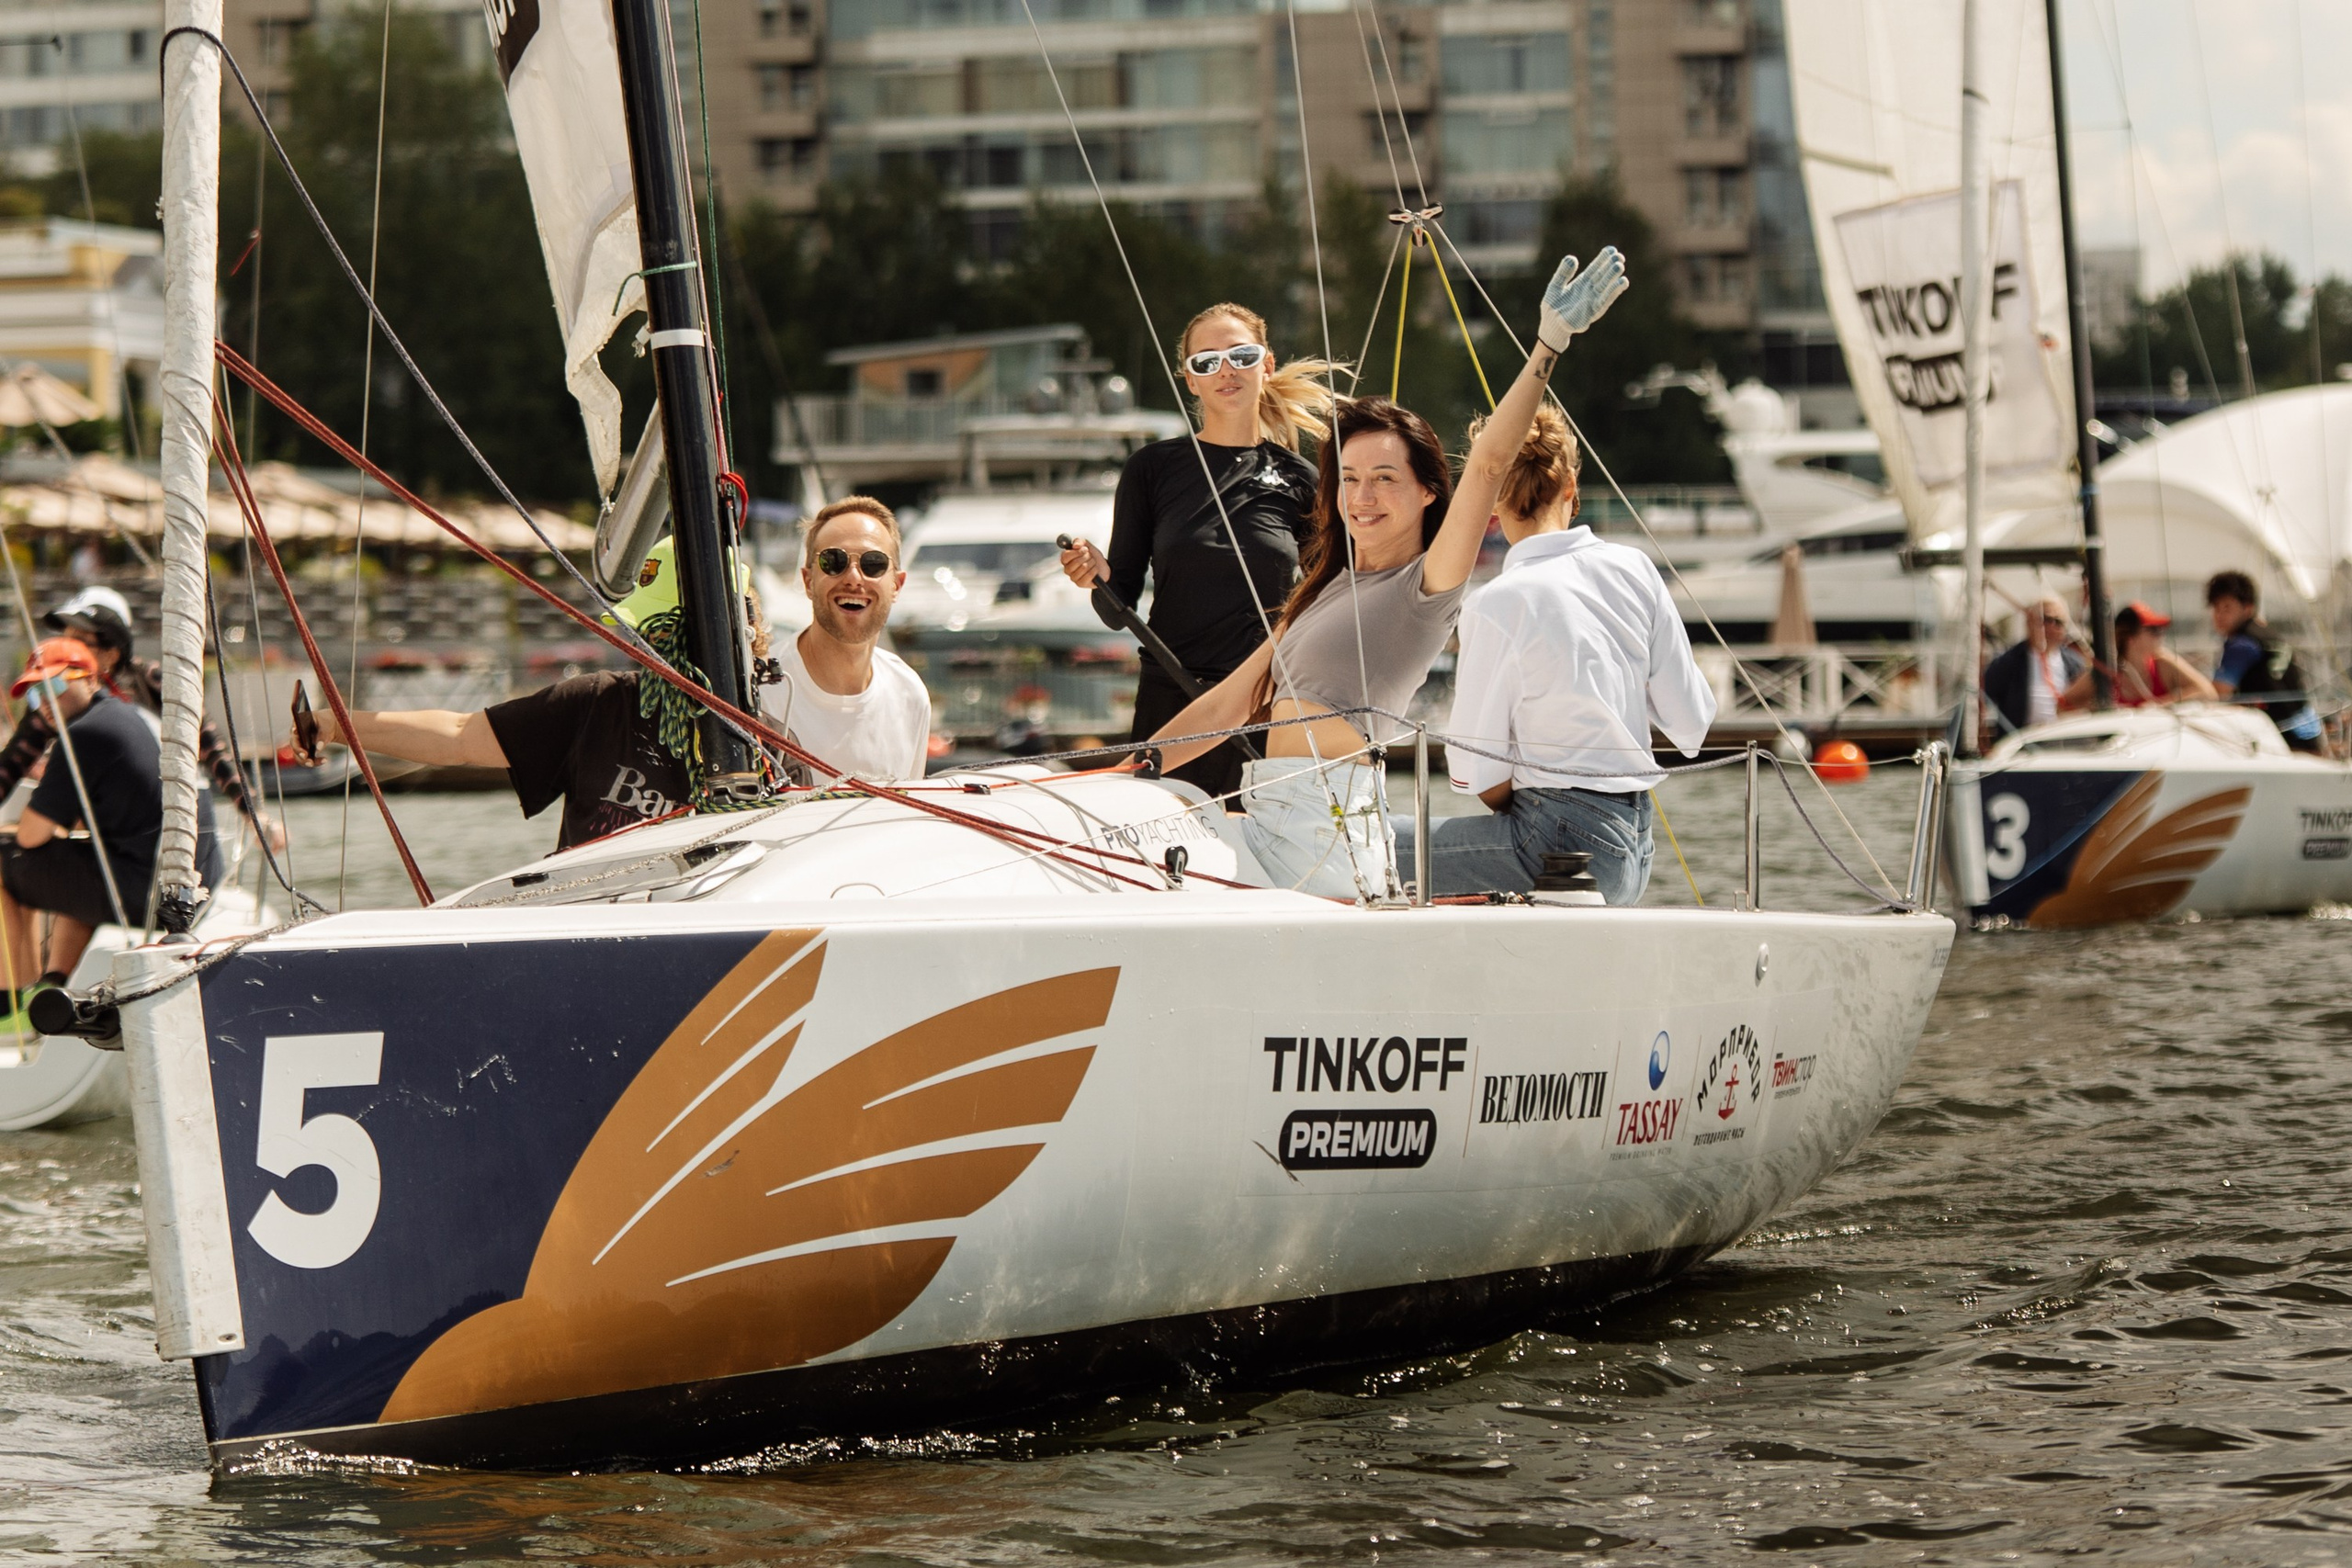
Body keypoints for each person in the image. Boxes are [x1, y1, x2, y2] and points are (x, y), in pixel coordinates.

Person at [1144, 247, 1631, 898]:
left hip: (1328, 828)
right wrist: (1129, 770)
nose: (1362, 497)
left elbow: (1488, 464)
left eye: (1383, 479)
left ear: (1430, 491)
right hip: (1273, 812)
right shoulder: (1321, 590)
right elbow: (1228, 703)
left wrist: (1548, 345)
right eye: (1348, 479)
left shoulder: (1425, 586)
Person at [1387, 405, 1714, 905]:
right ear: (1571, 487)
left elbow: (1473, 771)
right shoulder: (1635, 568)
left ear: (1494, 504)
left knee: (1364, 845)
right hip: (1635, 851)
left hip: (1557, 851)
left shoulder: (1496, 602)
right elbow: (1692, 725)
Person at [305, 541, 778, 851]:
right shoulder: (594, 704)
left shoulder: (773, 750)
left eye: (661, 629)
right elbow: (458, 736)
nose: (647, 645)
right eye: (645, 632)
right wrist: (336, 724)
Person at [1057, 305, 1331, 798]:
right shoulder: (1152, 469)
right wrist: (1094, 576)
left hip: (1262, 700)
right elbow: (1116, 608)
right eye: (1206, 362)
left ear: (1266, 365)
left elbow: (1323, 600)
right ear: (1190, 381)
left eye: (1241, 356)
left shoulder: (1299, 478)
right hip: (1172, 699)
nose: (1225, 370)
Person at [0, 639, 221, 1013]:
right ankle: (53, 985)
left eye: (53, 686)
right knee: (73, 863)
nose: (44, 704)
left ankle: (11, 1006)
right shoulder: (128, 715)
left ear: (88, 678)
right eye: (36, 694)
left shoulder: (84, 734)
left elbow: (30, 835)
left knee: (6, 861)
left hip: (160, 898)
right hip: (196, 883)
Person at [0, 587, 284, 852]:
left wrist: (255, 815)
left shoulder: (154, 682)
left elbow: (213, 750)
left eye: (80, 642)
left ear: (112, 652)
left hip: (156, 829)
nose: (67, 652)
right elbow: (12, 765)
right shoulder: (54, 697)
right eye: (65, 639)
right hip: (91, 823)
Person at [761, 496, 932, 783]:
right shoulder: (760, 694)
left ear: (896, 585)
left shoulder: (910, 695)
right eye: (834, 561)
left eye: (873, 564)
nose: (853, 578)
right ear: (808, 581)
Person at [2205, 570, 2324, 753]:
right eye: (2216, 608)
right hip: (2308, 736)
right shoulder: (2270, 636)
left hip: (2280, 741)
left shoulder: (2241, 644)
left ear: (2248, 608)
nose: (2219, 615)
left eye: (2227, 607)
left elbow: (2217, 693)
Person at [2063, 601, 2213, 710]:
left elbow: (2208, 692)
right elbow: (2062, 705)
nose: (2161, 636)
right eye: (2153, 631)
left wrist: (2161, 705)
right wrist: (2093, 712)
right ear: (2131, 638)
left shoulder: (2164, 662)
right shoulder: (2105, 672)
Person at [1981, 593, 2086, 739]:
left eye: (2058, 622)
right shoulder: (2009, 662)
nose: (2051, 627)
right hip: (2021, 744)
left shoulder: (2075, 663)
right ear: (2029, 622)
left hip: (2065, 740)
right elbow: (1979, 698)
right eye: (2045, 620)